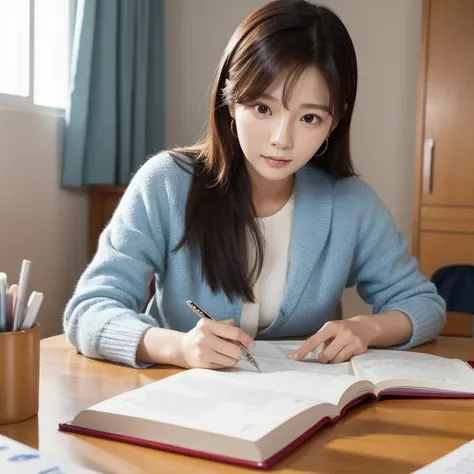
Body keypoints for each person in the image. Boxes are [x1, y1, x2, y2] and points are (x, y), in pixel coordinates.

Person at [63, 0, 445, 370]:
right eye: (263, 109)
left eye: (310, 118)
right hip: (177, 402)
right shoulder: (166, 183)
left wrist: (367, 327)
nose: (282, 139)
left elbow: (422, 303)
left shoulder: (350, 203)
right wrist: (179, 347)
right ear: (231, 102)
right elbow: (90, 309)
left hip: (295, 409)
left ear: (335, 122)